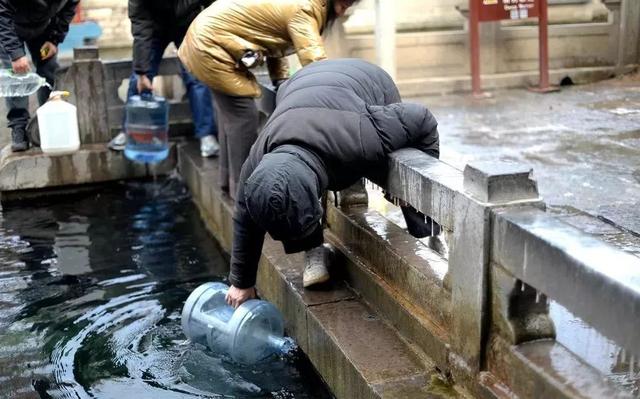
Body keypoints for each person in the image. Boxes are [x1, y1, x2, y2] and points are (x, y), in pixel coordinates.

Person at [224, 59, 441, 308]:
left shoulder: (362, 135)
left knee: (388, 165)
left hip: (369, 80)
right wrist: (242, 282)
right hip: (300, 84)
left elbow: (423, 119)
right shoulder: (257, 162)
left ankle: (427, 235)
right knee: (285, 196)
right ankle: (314, 250)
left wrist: (412, 194)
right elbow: (244, 217)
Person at [178, 0, 361, 199]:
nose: (345, 10)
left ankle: (228, 182)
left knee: (229, 114)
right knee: (243, 117)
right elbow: (314, 60)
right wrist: (334, 95)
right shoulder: (306, 9)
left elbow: (273, 40)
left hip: (204, 39)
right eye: (345, 4)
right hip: (210, 46)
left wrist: (280, 79)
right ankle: (245, 192)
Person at [108, 0, 220, 158]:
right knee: (138, 79)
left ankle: (206, 135)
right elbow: (141, 27)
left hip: (188, 25)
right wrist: (142, 71)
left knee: (196, 78)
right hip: (154, 28)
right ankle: (129, 132)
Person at [0, 0, 79, 152]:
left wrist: (54, 39)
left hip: (42, 29)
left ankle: (48, 123)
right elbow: (2, 15)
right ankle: (18, 128)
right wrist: (16, 54)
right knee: (17, 78)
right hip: (10, 28)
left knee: (49, 71)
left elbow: (68, 8)